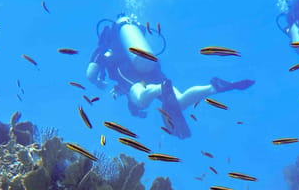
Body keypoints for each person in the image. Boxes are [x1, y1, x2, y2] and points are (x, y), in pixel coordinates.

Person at [86, 16, 253, 139]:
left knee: (140, 99)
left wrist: (98, 82)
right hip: (152, 66)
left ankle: (160, 89)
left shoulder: (106, 45)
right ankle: (213, 87)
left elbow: (90, 74)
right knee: (179, 101)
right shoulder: (133, 37)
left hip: (127, 69)